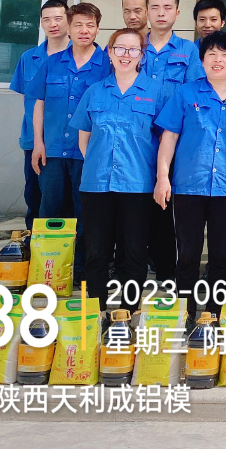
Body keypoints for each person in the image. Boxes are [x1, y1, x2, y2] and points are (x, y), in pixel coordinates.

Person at [154, 31, 226, 320]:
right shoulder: (185, 93)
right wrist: (163, 177)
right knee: (188, 253)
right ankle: (186, 313)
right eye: (211, 54)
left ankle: (213, 313)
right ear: (202, 61)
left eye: (225, 54)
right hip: (188, 186)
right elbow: (168, 138)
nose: (217, 60)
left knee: (222, 254)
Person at [71, 27, 163, 312]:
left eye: (133, 49)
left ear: (142, 55)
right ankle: (96, 312)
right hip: (96, 185)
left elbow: (165, 140)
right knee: (97, 252)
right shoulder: (95, 91)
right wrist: (98, 163)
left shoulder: (156, 92)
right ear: (110, 53)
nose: (126, 55)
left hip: (138, 185)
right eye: (119, 49)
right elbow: (84, 139)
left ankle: (127, 312)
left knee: (133, 252)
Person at [27, 3, 111, 285]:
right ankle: (47, 270)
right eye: (78, 25)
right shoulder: (52, 63)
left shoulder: (107, 65)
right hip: (52, 150)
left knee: (86, 212)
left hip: (88, 153)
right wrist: (38, 143)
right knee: (49, 210)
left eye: (90, 25)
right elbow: (38, 103)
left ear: (97, 29)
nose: (84, 31)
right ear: (69, 28)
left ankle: (82, 270)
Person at [141, 0, 205, 283]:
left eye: (168, 7)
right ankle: (137, 266)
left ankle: (168, 271)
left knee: (169, 206)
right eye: (155, 7)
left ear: (177, 13)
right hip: (138, 140)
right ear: (147, 12)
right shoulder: (133, 45)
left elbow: (192, 95)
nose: (161, 13)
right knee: (138, 205)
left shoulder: (189, 50)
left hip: (174, 141)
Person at [9, 0, 69, 231]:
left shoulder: (81, 56)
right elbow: (29, 98)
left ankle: (68, 248)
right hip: (34, 141)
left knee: (65, 200)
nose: (53, 24)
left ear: (68, 21)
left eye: (58, 18)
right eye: (47, 20)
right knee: (34, 195)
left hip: (67, 142)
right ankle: (35, 243)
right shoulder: (29, 58)